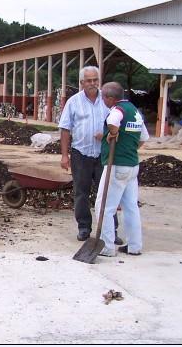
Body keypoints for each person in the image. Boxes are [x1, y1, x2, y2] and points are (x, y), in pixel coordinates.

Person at [58, 66, 122, 243]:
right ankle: (84, 227)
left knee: (108, 193)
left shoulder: (108, 100)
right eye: (89, 80)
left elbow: (120, 126)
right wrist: (65, 155)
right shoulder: (73, 102)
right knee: (81, 193)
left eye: (95, 80)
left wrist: (107, 134)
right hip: (81, 154)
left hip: (104, 155)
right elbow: (65, 129)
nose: (93, 83)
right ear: (82, 83)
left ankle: (111, 231)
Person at [95, 82, 149, 256]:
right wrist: (128, 147)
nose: (102, 99)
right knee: (131, 207)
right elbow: (143, 137)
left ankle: (107, 247)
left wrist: (113, 131)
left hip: (117, 166)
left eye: (103, 96)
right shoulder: (134, 111)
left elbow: (112, 121)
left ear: (110, 97)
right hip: (132, 166)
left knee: (104, 206)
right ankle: (135, 246)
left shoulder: (118, 110)